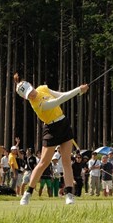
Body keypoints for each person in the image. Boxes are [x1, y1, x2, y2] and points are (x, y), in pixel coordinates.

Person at [15, 73, 90, 206]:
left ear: (31, 86)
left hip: (64, 124)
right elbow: (57, 102)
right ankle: (27, 193)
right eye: (28, 96)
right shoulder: (37, 105)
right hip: (51, 129)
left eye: (30, 91)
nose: (31, 95)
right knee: (43, 162)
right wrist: (78, 90)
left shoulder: (42, 88)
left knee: (67, 161)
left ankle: (69, 195)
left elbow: (60, 95)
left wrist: (79, 91)